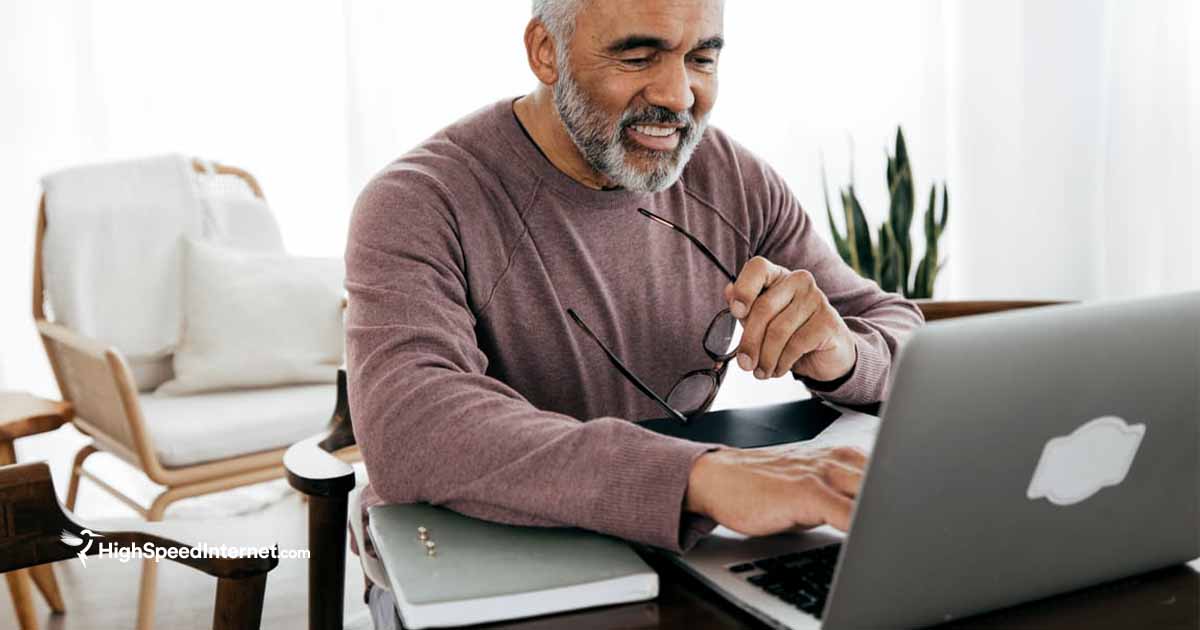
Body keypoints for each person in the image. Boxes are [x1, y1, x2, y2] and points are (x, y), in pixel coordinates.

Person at [346, 0, 923, 624]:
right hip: (476, 560)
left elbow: (899, 333)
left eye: (702, 58)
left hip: (673, 548)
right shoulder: (418, 201)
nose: (678, 96)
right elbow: (414, 429)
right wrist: (704, 479)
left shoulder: (734, 178)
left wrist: (845, 355)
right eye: (638, 55)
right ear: (546, 52)